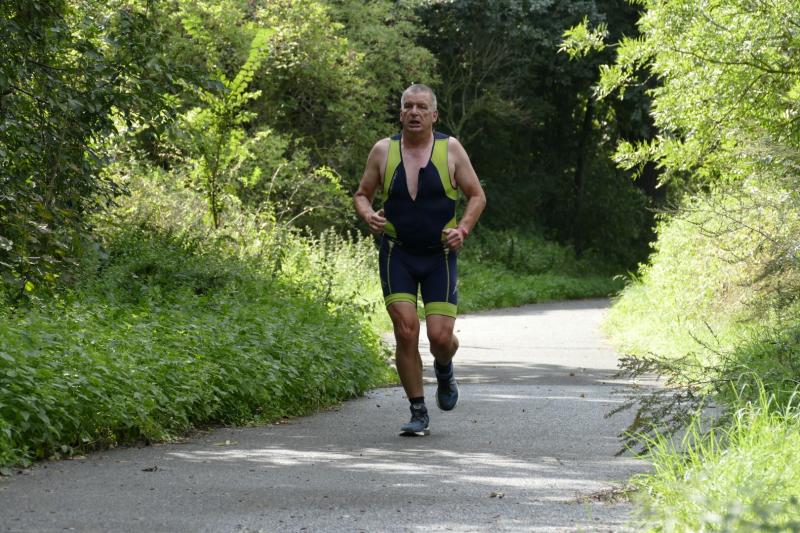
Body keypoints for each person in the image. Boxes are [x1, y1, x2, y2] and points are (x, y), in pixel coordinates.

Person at [354, 84, 486, 436]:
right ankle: (418, 410)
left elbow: (477, 196)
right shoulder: (383, 151)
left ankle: (444, 368)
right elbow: (362, 194)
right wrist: (368, 215)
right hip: (397, 253)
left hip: (439, 256)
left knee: (440, 337)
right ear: (401, 114)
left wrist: (463, 229)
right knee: (406, 329)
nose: (415, 112)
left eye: (422, 107)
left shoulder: (450, 149)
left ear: (434, 115)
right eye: (409, 106)